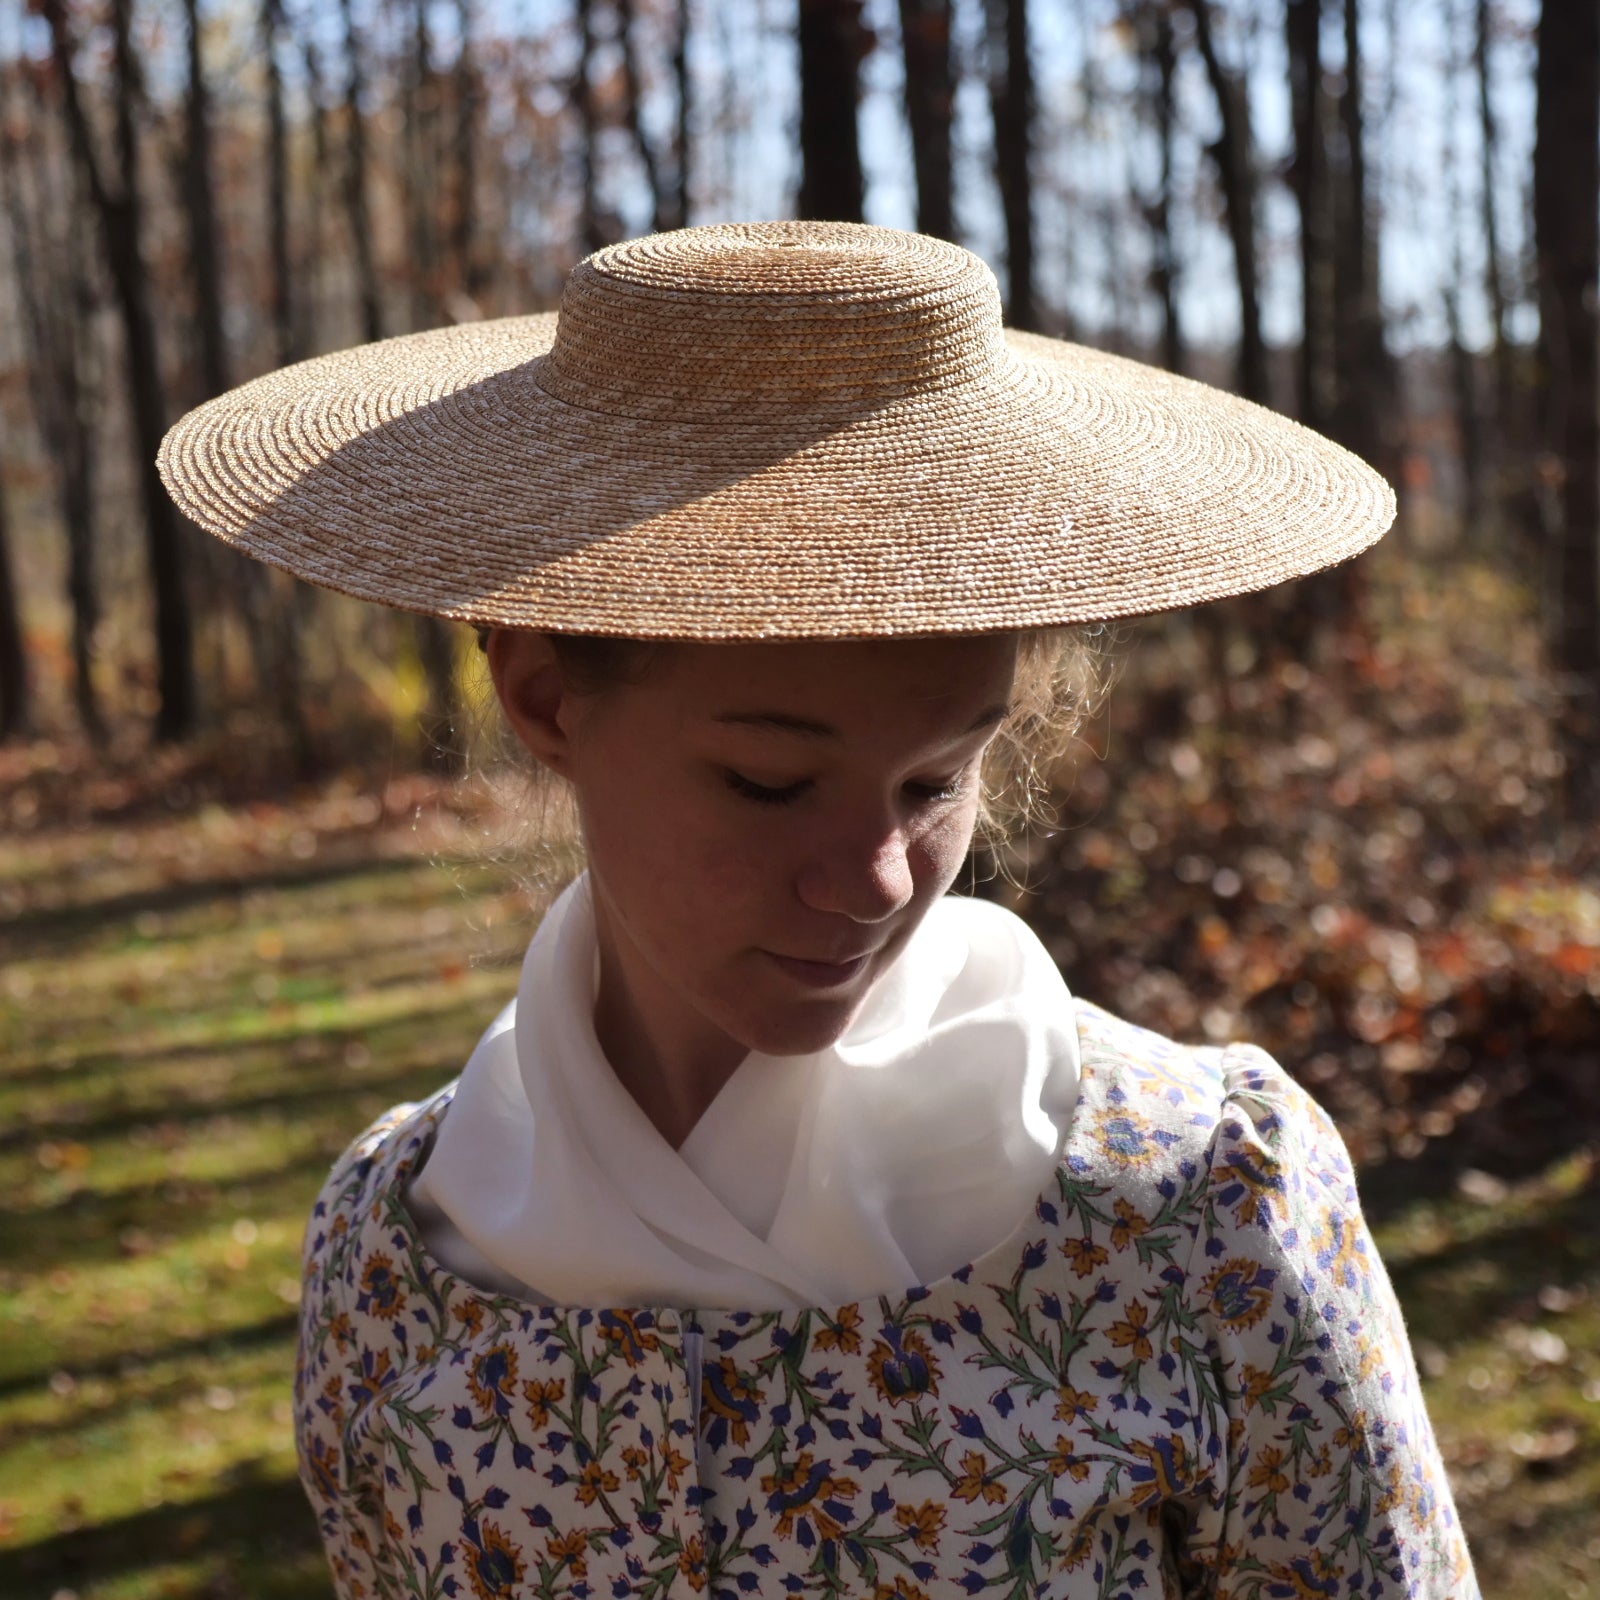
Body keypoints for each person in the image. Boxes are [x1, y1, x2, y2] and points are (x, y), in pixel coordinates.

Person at [159, 222, 1477, 1599]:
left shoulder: (1201, 1211)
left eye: (935, 781)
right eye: (770, 783)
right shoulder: (397, 1255)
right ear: (546, 698)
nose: (877, 878)